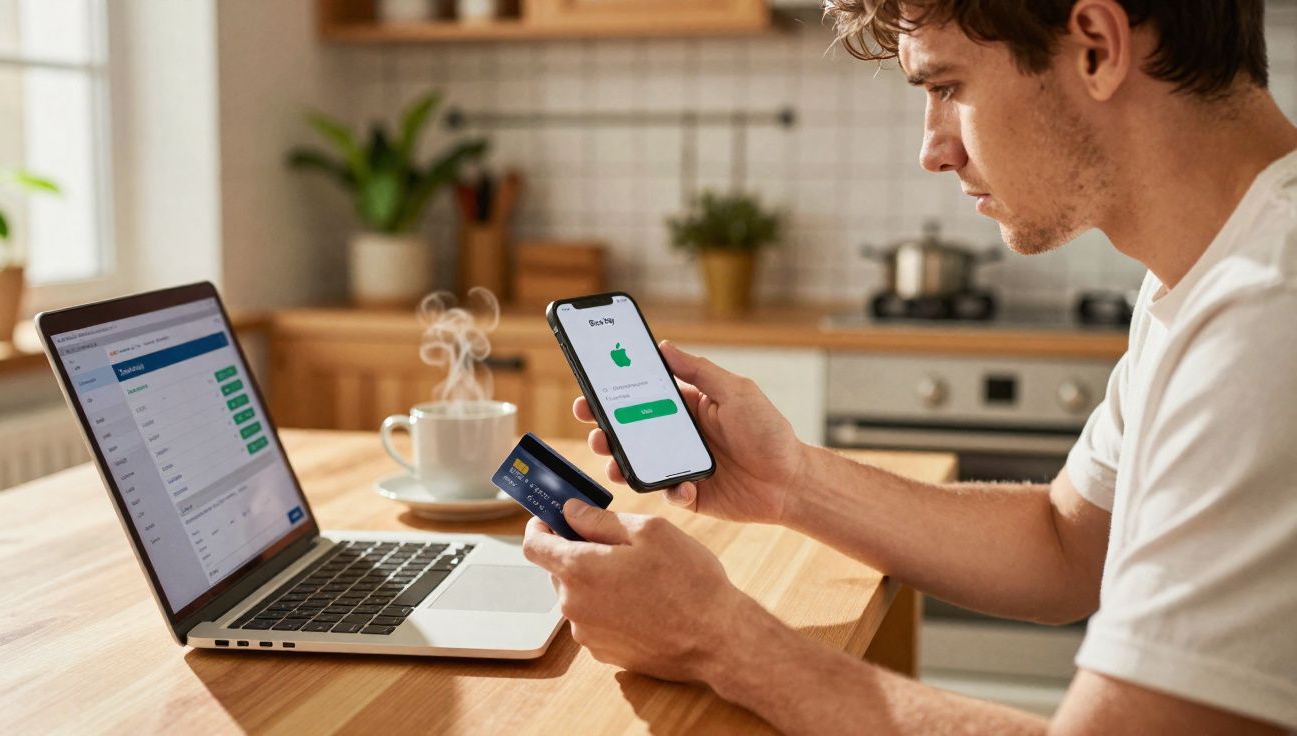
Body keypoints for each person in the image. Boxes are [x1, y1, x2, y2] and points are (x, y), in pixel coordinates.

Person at [521, 0, 1297, 732]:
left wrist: (717, 639)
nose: (933, 150)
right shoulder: (1209, 271)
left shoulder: (1268, 314)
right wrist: (790, 480)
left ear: (1097, 45)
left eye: (948, 87)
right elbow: (1067, 544)